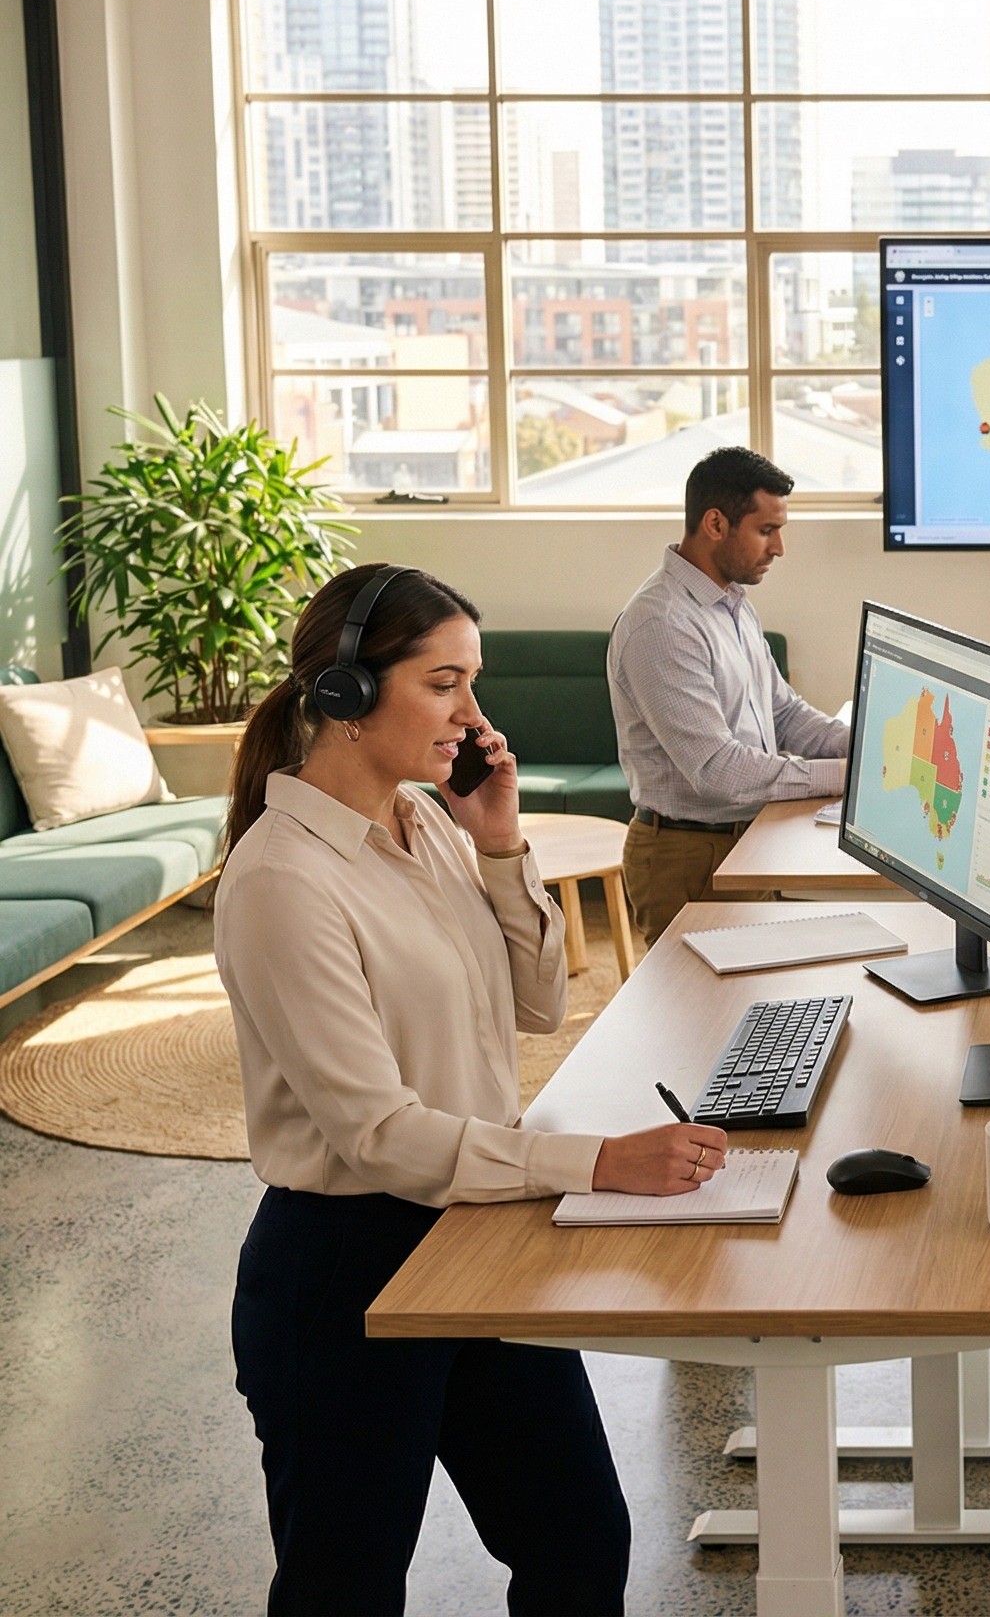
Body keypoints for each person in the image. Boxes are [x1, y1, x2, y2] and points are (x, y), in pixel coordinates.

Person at [216, 562, 731, 1616]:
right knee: (345, 1584)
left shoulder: (432, 827)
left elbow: (537, 1000)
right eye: (445, 683)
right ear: (347, 694)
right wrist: (600, 1162)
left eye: (474, 682)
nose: (473, 714)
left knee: (580, 1536)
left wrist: (500, 839)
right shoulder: (282, 879)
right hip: (344, 1264)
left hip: (473, 1230)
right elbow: (377, 1135)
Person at [608, 447, 850, 942]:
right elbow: (718, 770)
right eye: (766, 530)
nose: (779, 548)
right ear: (715, 523)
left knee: (753, 1006)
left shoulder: (732, 604)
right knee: (698, 1015)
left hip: (744, 841)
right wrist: (845, 777)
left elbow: (783, 712)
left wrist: (867, 749)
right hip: (686, 855)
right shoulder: (662, 624)